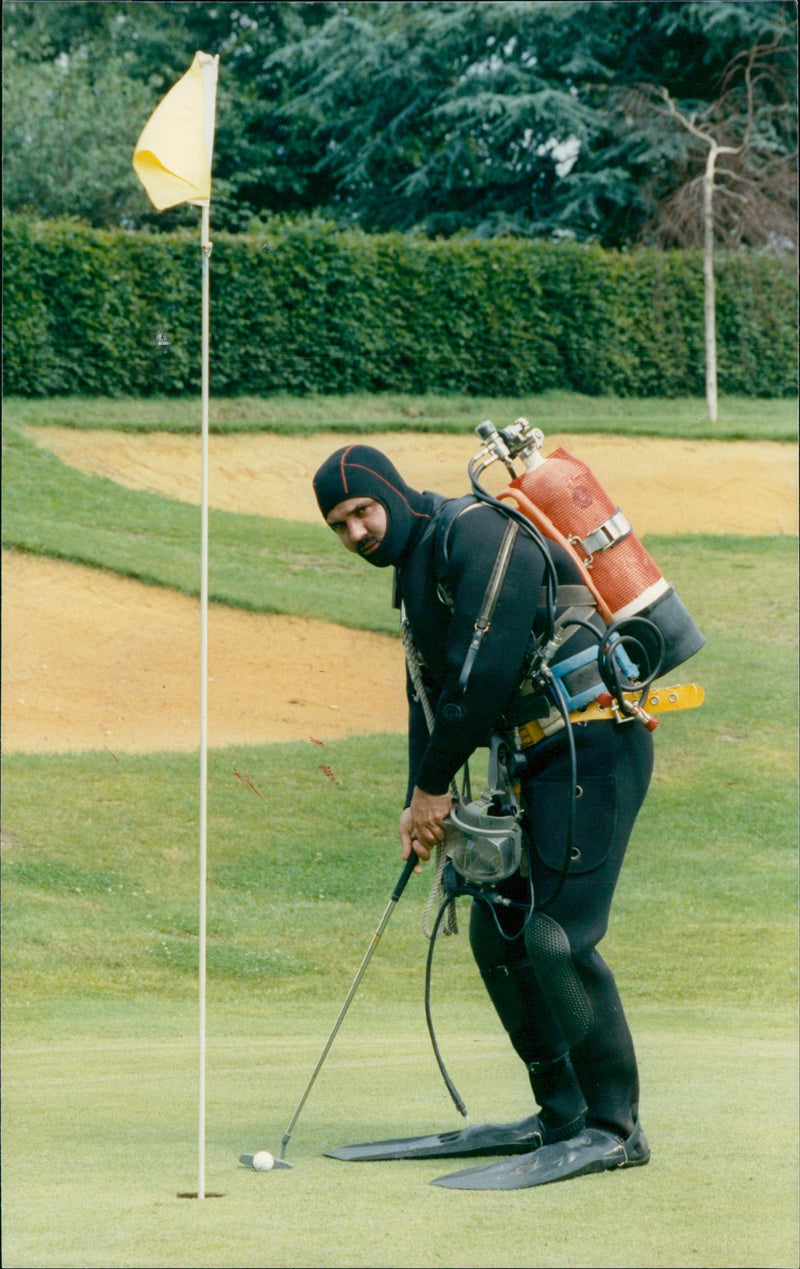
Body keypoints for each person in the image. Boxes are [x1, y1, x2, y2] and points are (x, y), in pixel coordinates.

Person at [312, 442, 655, 1190]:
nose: (355, 533)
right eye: (338, 525)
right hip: (535, 758)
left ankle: (613, 1126)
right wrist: (418, 799)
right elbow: (428, 697)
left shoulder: (476, 531)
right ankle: (561, 1114)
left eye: (362, 512)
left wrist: (438, 784)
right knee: (497, 932)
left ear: (393, 494)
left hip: (594, 747)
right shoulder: (414, 572)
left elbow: (488, 665)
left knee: (556, 934)